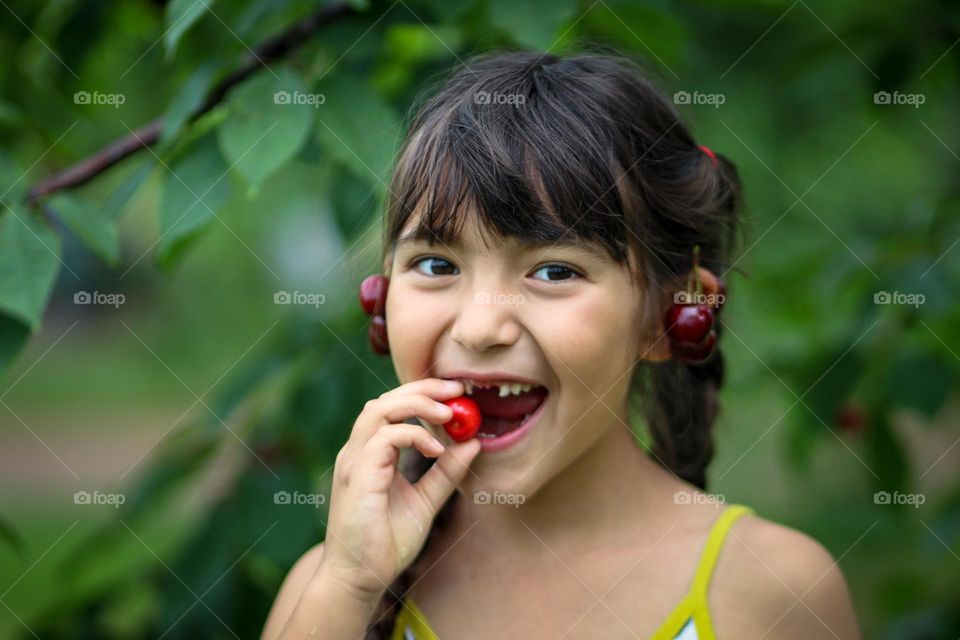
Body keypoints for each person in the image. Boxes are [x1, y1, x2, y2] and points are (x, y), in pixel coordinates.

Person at [261, 49, 861, 639]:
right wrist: (347, 588)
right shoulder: (331, 593)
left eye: (553, 271)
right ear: (384, 295)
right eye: (437, 264)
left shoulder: (770, 590)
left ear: (667, 316)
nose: (479, 327)